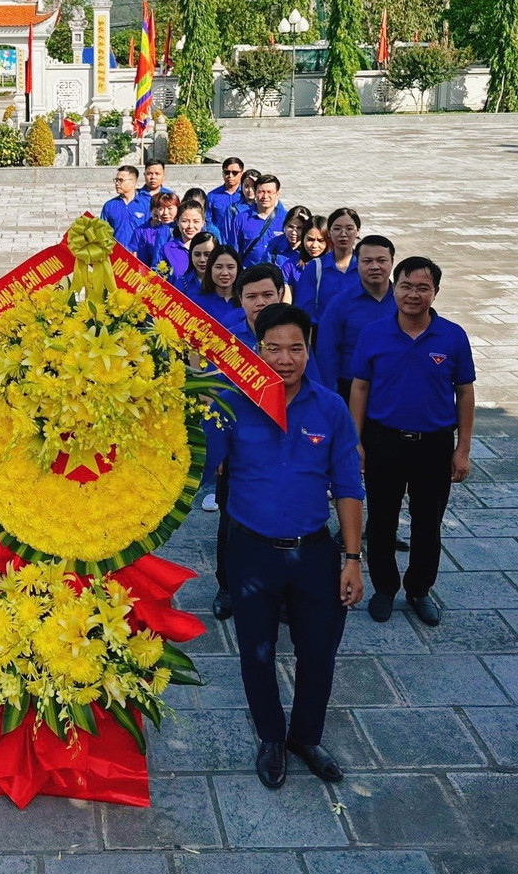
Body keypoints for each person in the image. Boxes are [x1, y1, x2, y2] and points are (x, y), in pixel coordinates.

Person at [224, 303, 364, 790]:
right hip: (251, 552)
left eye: (296, 348)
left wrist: (351, 559)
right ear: (256, 349)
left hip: (314, 553)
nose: (285, 359)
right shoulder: (231, 402)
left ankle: (306, 736)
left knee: (319, 651)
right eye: (273, 348)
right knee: (256, 652)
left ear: (310, 350)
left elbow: (348, 486)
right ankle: (270, 738)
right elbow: (197, 461)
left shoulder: (330, 408)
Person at [350, 257, 475, 629]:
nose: (413, 294)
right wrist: (355, 441)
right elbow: (360, 387)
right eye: (406, 285)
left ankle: (419, 589)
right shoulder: (373, 333)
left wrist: (462, 448)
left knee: (428, 524)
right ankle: (384, 588)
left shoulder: (452, 336)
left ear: (435, 291)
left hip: (434, 445)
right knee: (382, 521)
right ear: (395, 286)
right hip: (384, 440)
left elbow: (464, 393)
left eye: (423, 287)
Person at [210, 263, 287, 621]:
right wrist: (220, 450)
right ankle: (227, 586)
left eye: (267, 295)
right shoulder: (227, 338)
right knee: (232, 523)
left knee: (283, 519)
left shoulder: (293, 334)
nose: (259, 303)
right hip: (239, 450)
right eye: (251, 296)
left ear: (280, 294)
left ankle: (281, 589)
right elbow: (214, 396)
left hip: (284, 448)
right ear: (240, 300)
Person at [192, 244, 245, 519]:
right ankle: (211, 484)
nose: (225, 273)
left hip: (243, 380)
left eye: (230, 267)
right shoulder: (197, 302)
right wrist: (201, 385)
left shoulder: (246, 301)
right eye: (219, 267)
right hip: (210, 379)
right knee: (213, 431)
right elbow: (191, 347)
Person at [315, 235, 396, 402]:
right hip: (351, 387)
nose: (375, 266)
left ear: (392, 262)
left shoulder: (404, 300)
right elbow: (326, 352)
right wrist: (330, 395)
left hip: (395, 385)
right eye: (367, 261)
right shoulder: (340, 303)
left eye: (381, 260)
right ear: (357, 264)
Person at [292, 208, 363, 326]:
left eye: (349, 228)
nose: (343, 234)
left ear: (358, 232)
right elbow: (304, 309)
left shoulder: (365, 267)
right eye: (337, 228)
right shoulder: (315, 267)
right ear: (329, 233)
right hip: (324, 335)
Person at [100, 165, 151, 248]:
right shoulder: (109, 205)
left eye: (121, 180)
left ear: (133, 182)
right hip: (117, 256)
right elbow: (102, 232)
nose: (117, 183)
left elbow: (150, 232)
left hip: (139, 256)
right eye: (116, 180)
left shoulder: (146, 205)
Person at [160, 202, 208, 283]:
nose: (190, 226)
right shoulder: (167, 249)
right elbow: (158, 279)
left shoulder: (212, 248)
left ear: (203, 223)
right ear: (177, 222)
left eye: (196, 221)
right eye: (185, 221)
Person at [134, 191, 180, 267]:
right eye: (161, 209)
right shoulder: (148, 232)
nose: (165, 212)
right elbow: (143, 262)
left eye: (169, 208)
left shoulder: (184, 230)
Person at [207, 157, 249, 237]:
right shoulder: (212, 196)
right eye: (227, 172)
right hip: (220, 239)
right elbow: (208, 220)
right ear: (223, 173)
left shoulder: (247, 195)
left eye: (235, 172)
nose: (230, 175)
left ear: (242, 174)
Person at [178, 231, 216, 298]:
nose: (202, 260)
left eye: (207, 255)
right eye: (197, 255)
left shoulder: (225, 282)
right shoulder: (182, 283)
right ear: (191, 256)